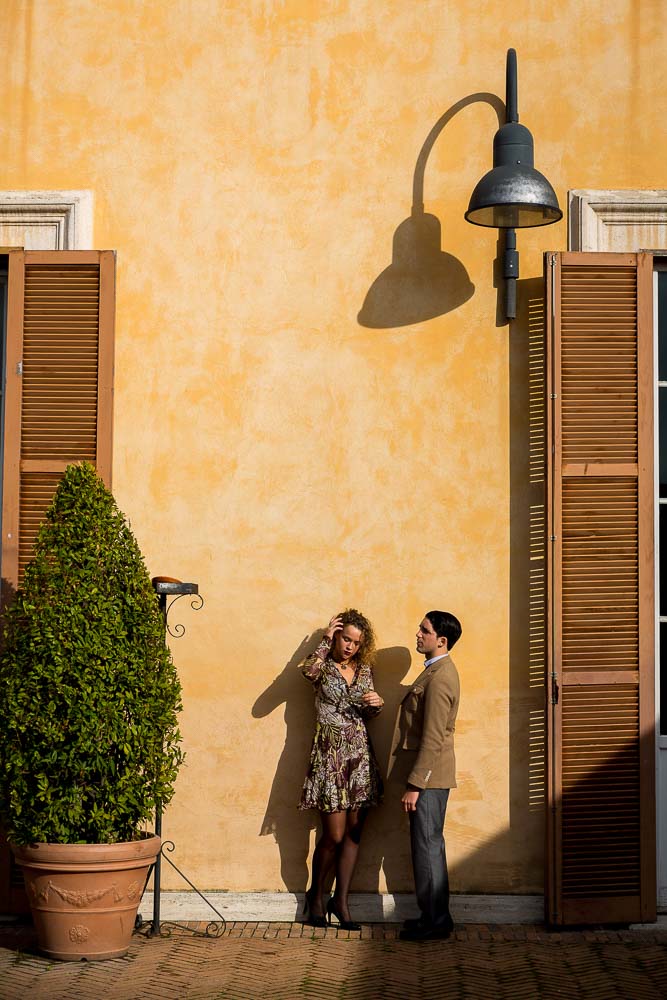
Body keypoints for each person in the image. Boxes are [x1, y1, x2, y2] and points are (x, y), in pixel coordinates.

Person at [299, 608, 384, 929]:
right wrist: (323, 640)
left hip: (359, 757)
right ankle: (316, 896)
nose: (349, 646)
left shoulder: (363, 669)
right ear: (336, 635)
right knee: (332, 835)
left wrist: (376, 705)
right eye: (345, 638)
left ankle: (342, 902)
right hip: (329, 757)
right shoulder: (322, 666)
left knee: (354, 833)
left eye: (356, 642)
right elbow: (307, 672)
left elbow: (366, 712)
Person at [392, 610, 461, 941]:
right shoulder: (433, 672)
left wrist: (415, 784)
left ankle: (435, 921)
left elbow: (433, 738)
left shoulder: (441, 677)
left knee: (428, 847)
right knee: (428, 847)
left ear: (441, 640)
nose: (417, 634)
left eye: (424, 630)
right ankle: (434, 917)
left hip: (429, 779)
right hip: (429, 777)